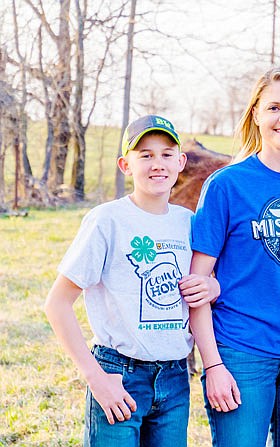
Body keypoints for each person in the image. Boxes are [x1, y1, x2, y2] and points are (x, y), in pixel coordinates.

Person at [44, 114, 219, 446]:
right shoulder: (107, 220)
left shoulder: (188, 223)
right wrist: (96, 378)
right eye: (145, 155)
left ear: (181, 162)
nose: (158, 164)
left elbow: (201, 288)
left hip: (174, 378)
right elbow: (57, 303)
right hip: (119, 374)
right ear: (125, 165)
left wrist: (214, 287)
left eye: (167, 154)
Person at [187, 66, 280, 447]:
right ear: (256, 113)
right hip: (242, 353)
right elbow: (196, 286)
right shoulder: (226, 184)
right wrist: (213, 364)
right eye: (273, 108)